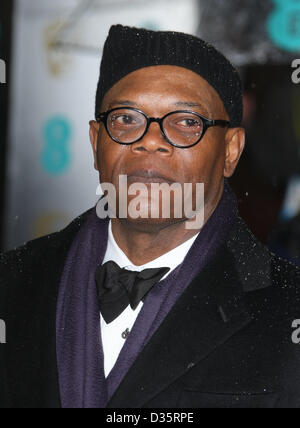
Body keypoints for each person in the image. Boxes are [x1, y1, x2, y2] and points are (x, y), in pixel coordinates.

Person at [1, 24, 300, 409]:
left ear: (230, 151)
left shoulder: (288, 310)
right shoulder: (12, 282)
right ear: (96, 143)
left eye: (187, 122)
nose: (151, 140)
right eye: (127, 119)